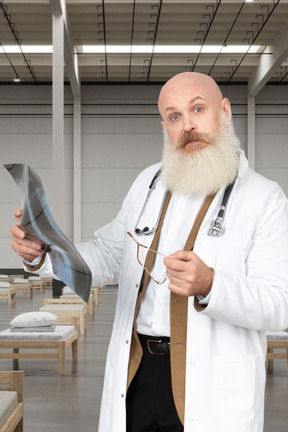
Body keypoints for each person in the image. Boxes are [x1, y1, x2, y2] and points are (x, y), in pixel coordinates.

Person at [10, 72, 288, 432]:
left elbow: (280, 304)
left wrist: (210, 285)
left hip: (211, 380)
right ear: (165, 126)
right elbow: (109, 256)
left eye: (198, 109)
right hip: (137, 370)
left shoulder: (265, 198)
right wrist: (43, 253)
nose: (188, 126)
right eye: (174, 117)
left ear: (224, 111)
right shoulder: (149, 183)